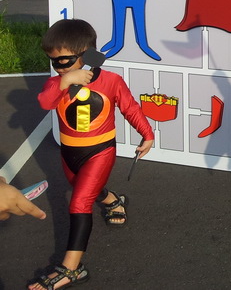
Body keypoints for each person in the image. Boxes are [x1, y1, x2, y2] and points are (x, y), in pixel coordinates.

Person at [29, 19, 154, 290]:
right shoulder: (57, 83)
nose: (59, 67)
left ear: (86, 55)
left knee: (79, 201)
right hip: (69, 152)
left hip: (100, 150)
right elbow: (45, 102)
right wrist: (65, 81)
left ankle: (72, 268)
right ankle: (113, 201)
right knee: (85, 189)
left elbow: (130, 107)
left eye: (64, 61)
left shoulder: (111, 81)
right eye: (53, 61)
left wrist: (148, 134)